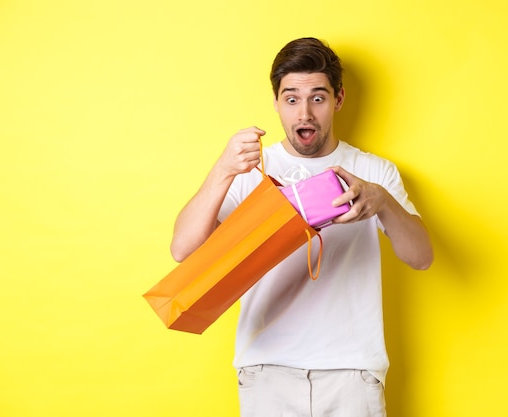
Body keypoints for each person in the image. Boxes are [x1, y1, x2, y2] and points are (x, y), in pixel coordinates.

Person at [170, 37, 433, 417]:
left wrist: (383, 201)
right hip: (266, 369)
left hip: (352, 370)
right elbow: (183, 249)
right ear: (276, 102)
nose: (304, 114)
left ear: (338, 99)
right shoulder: (249, 171)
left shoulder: (375, 172)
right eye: (291, 99)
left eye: (318, 98)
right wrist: (224, 168)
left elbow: (422, 258)